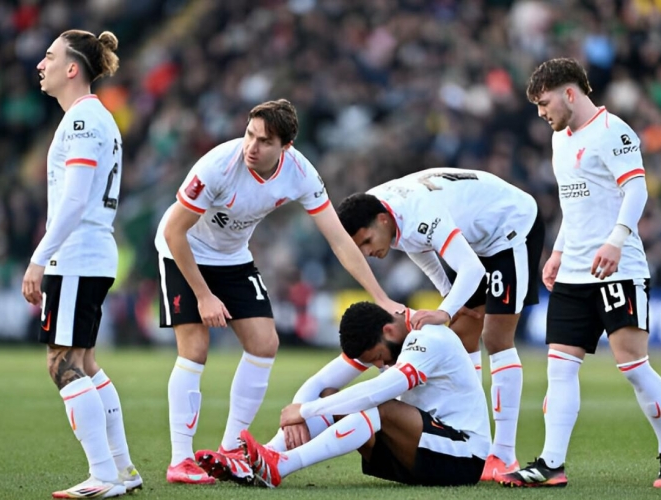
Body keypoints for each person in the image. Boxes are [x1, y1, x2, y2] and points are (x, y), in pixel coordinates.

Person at [155, 99, 405, 484]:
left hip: (233, 258)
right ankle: (180, 460)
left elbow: (339, 241)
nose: (251, 146)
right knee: (195, 349)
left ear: (285, 148)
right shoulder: (217, 166)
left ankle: (231, 447)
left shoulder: (301, 173)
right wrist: (204, 296)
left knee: (264, 343)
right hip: (184, 251)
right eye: (249, 134)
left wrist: (381, 296)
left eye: (264, 141)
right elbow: (175, 231)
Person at [501, 58, 661, 488]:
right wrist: (559, 252)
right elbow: (574, 204)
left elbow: (635, 189)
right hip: (574, 275)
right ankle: (551, 464)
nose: (541, 113)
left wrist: (616, 241)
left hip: (618, 270)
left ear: (569, 93)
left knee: (634, 367)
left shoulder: (613, 132)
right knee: (560, 368)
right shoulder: (559, 140)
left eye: (545, 103)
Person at [336, 168, 545, 481]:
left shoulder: (417, 211)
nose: (367, 254)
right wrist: (449, 296)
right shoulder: (384, 212)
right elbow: (418, 247)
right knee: (462, 337)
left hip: (510, 227)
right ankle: (474, 433)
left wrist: (445, 311)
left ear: (381, 221)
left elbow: (471, 269)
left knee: (497, 337)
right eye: (360, 249)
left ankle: (503, 455)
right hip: (477, 237)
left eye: (366, 242)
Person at [21, 30, 141, 498]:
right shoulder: (92, 117)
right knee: (85, 363)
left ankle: (103, 476)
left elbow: (73, 201)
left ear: (72, 68)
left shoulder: (82, 122)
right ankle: (122, 469)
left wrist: (38, 258)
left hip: (77, 255)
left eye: (49, 56)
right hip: (90, 253)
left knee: (62, 364)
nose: (40, 64)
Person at [202, 301, 490, 488]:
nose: (380, 364)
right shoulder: (388, 340)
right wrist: (298, 415)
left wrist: (305, 411)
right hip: (420, 457)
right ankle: (265, 457)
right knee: (332, 396)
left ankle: (281, 465)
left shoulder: (429, 337)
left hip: (464, 458)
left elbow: (379, 391)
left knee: (381, 407)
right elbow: (320, 382)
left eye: (377, 357)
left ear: (388, 330)